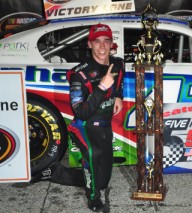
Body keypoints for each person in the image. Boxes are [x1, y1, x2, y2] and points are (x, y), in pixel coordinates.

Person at [31, 23, 125, 212]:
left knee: (102, 180)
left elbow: (119, 81)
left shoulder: (118, 64)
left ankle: (54, 172)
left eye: (106, 41)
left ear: (111, 43)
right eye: (96, 41)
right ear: (89, 44)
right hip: (84, 127)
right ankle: (94, 200)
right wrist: (102, 87)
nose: (102, 46)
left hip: (104, 126)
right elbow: (80, 112)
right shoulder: (79, 74)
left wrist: (118, 96)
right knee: (91, 162)